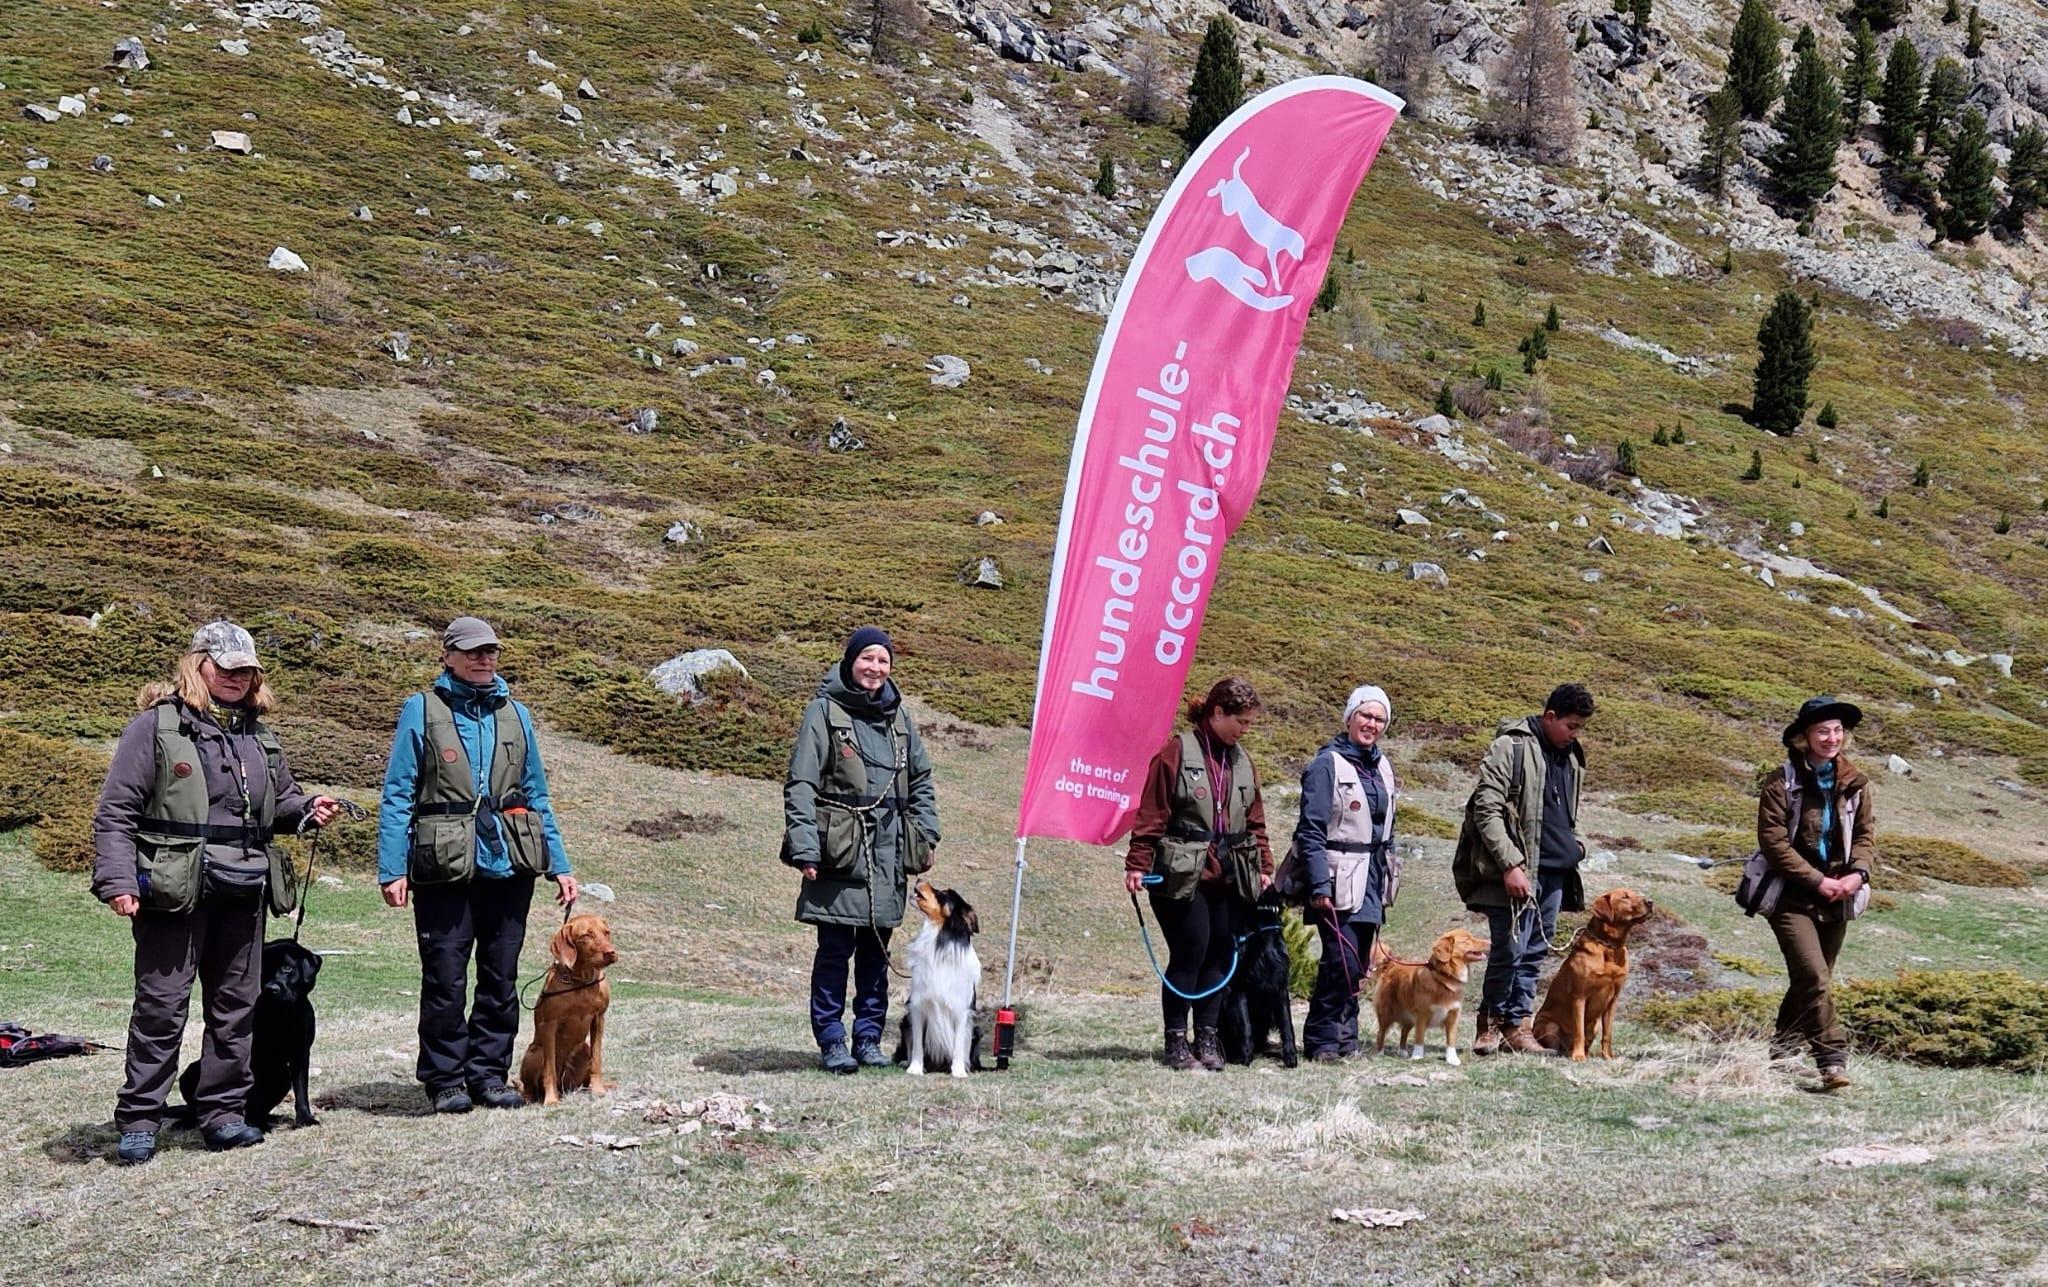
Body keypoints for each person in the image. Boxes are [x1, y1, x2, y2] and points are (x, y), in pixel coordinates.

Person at [90, 621, 341, 1165]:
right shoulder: (153, 728)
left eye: (245, 669)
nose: (236, 677)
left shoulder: (261, 737)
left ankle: (224, 1114)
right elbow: (116, 811)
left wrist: (307, 810)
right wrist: (115, 880)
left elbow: (284, 803)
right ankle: (139, 1119)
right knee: (161, 1007)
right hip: (171, 893)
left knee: (237, 1008)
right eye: (225, 668)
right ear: (198, 665)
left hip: (243, 889)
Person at [377, 617, 576, 1113]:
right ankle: (444, 1080)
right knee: (445, 977)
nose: (483, 659)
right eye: (471, 651)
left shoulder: (517, 714)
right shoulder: (420, 710)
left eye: (490, 651)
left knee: (501, 975)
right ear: (448, 655)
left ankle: (488, 1075)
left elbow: (537, 795)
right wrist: (392, 868)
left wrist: (561, 865)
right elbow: (397, 793)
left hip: (510, 865)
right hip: (442, 867)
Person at [781, 627, 939, 1074]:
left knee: (876, 955)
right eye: (867, 658)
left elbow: (923, 780)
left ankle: (868, 1037)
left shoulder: (899, 719)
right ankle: (832, 1041)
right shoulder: (823, 712)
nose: (875, 668)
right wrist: (805, 847)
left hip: (889, 856)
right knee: (834, 952)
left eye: (883, 661)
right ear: (851, 662)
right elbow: (801, 783)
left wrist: (925, 834)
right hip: (838, 854)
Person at [1123, 677, 1273, 1071]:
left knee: (1221, 954)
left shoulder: (1244, 762)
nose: (1245, 730)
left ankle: (1207, 1038)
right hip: (1180, 876)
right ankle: (1175, 1041)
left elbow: (1255, 822)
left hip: (1231, 875)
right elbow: (1151, 814)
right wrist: (1138, 863)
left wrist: (1265, 868)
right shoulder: (1175, 753)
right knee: (1191, 950)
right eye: (1241, 721)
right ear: (1217, 712)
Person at [1452, 682, 1595, 1057]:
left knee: (1534, 950)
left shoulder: (1571, 756)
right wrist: (1511, 864)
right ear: (1550, 717)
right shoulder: (1511, 747)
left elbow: (1569, 812)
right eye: (1571, 726)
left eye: (1580, 728)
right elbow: (1487, 808)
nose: (1575, 734)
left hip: (1555, 873)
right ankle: (1489, 1025)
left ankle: (1518, 1027)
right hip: (1514, 872)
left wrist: (1577, 843)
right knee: (1509, 949)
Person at [1759, 696, 1875, 1091]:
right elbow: (1775, 845)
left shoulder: (1856, 783)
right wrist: (1817, 880)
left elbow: (1865, 836)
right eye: (1823, 731)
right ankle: (1832, 1062)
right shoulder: (1780, 783)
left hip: (1837, 898)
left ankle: (1782, 1052)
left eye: (1838, 730)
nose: (1832, 738)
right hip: (1791, 898)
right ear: (1804, 737)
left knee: (1810, 980)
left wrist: (1858, 874)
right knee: (1814, 976)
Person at [1292, 684, 1399, 1062]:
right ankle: (1321, 1040)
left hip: (1371, 878)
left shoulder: (1383, 766)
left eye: (1379, 719)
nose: (1372, 724)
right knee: (1340, 959)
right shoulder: (1326, 765)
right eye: (1365, 715)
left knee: (1359, 964)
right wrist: (1319, 882)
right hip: (1337, 875)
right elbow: (1310, 830)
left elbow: (1386, 826)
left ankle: (1346, 1038)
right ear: (1350, 716)